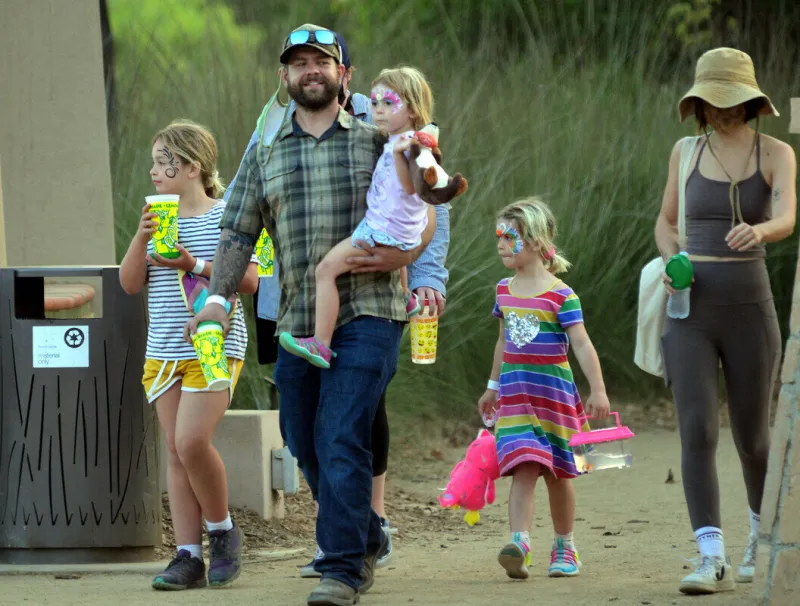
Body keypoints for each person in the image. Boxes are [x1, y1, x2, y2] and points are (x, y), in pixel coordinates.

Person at [185, 24, 441, 605]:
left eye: (321, 61)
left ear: (342, 73)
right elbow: (237, 232)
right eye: (299, 63)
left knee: (340, 429)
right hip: (298, 318)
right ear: (285, 76)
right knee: (302, 437)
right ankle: (365, 533)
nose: (310, 71)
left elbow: (426, 207)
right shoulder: (266, 150)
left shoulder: (377, 138)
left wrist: (410, 258)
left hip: (372, 311)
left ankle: (342, 568)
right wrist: (218, 301)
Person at [655, 47, 796, 595]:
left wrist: (759, 230)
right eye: (710, 103)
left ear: (752, 102)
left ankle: (760, 540)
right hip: (689, 309)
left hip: (748, 308)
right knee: (697, 429)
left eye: (730, 102)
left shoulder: (776, 152)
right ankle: (710, 556)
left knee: (754, 438)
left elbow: (786, 216)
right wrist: (671, 259)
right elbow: (666, 222)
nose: (720, 111)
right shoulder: (685, 151)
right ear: (697, 106)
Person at [119, 120, 258, 590]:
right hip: (163, 350)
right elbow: (129, 284)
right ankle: (187, 555)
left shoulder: (229, 215)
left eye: (165, 163)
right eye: (154, 163)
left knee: (193, 441)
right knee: (177, 452)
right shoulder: (157, 219)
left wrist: (191, 263)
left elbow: (249, 280)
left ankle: (222, 531)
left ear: (193, 166)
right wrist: (141, 238)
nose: (154, 172)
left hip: (213, 345)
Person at [478, 197, 611, 581]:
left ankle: (565, 546)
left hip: (554, 399)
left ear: (535, 241)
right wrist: (492, 386)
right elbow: (503, 341)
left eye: (509, 237)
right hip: (516, 397)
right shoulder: (503, 290)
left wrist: (598, 390)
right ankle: (518, 543)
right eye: (499, 236)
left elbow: (582, 344)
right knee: (522, 466)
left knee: (558, 475)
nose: (501, 244)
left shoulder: (561, 295)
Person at [278, 66, 445, 368]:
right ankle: (406, 297)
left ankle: (320, 343)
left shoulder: (409, 147)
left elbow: (412, 189)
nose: (378, 110)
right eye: (375, 102)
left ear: (412, 109)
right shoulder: (398, 139)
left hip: (382, 230)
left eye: (389, 103)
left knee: (325, 270)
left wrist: (400, 156)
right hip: (393, 225)